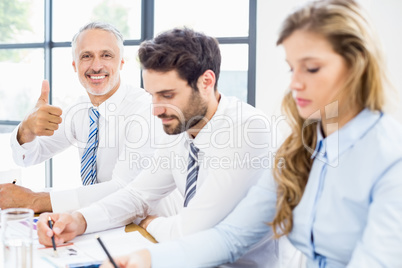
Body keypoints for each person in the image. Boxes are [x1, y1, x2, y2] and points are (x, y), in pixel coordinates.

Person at [99, 0, 402, 267]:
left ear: (356, 67)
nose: (295, 84)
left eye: (310, 69)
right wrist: (150, 260)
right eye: (291, 68)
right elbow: (232, 237)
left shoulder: (390, 159)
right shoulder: (299, 150)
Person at [37, 28, 298, 266]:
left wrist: (152, 222)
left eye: (167, 95)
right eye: (152, 95)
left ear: (206, 82)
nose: (156, 109)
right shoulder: (181, 126)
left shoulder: (249, 130)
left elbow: (191, 232)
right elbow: (137, 195)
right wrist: (79, 220)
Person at [1, 22, 180, 216]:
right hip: (105, 224)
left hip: (153, 230)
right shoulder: (80, 110)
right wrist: (26, 130)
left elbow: (123, 189)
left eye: (106, 55)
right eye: (86, 56)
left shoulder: (145, 111)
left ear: (121, 62)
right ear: (74, 65)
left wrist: (36, 200)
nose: (96, 66)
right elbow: (27, 158)